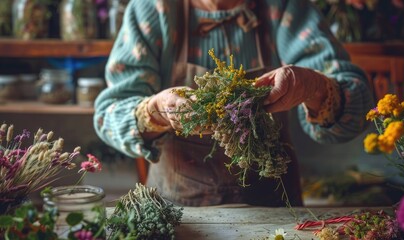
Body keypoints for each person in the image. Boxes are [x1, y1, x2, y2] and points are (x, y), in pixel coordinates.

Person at [94, 0, 373, 207]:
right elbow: (110, 113)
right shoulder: (155, 9)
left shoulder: (284, 7)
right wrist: (157, 110)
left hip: (274, 214)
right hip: (177, 214)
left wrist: (312, 86)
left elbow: (356, 111)